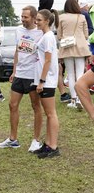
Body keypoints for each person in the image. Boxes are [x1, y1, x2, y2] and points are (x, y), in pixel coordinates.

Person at [0, 6, 43, 152]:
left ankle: (36, 140)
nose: (22, 19)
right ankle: (13, 139)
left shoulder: (41, 32)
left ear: (34, 18)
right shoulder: (19, 30)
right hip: (20, 74)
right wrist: (14, 71)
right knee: (12, 105)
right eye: (22, 16)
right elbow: (18, 50)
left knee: (36, 106)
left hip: (33, 74)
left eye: (26, 17)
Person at [33, 9, 60, 158]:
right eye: (36, 20)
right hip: (44, 81)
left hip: (47, 81)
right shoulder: (45, 36)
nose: (36, 22)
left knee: (51, 114)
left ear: (47, 21)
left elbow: (48, 60)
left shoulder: (49, 37)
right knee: (49, 114)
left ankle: (53, 146)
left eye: (39, 20)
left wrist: (42, 81)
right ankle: (48, 144)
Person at [57, 0, 90, 109]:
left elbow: (59, 35)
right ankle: (81, 100)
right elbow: (86, 34)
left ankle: (74, 99)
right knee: (80, 74)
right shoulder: (81, 17)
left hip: (67, 47)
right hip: (80, 47)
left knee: (70, 74)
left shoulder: (61, 17)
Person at [38, 0, 71, 103]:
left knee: (58, 70)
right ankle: (62, 93)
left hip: (46, 48)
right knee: (57, 70)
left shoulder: (42, 16)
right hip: (48, 49)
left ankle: (62, 92)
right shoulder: (49, 16)